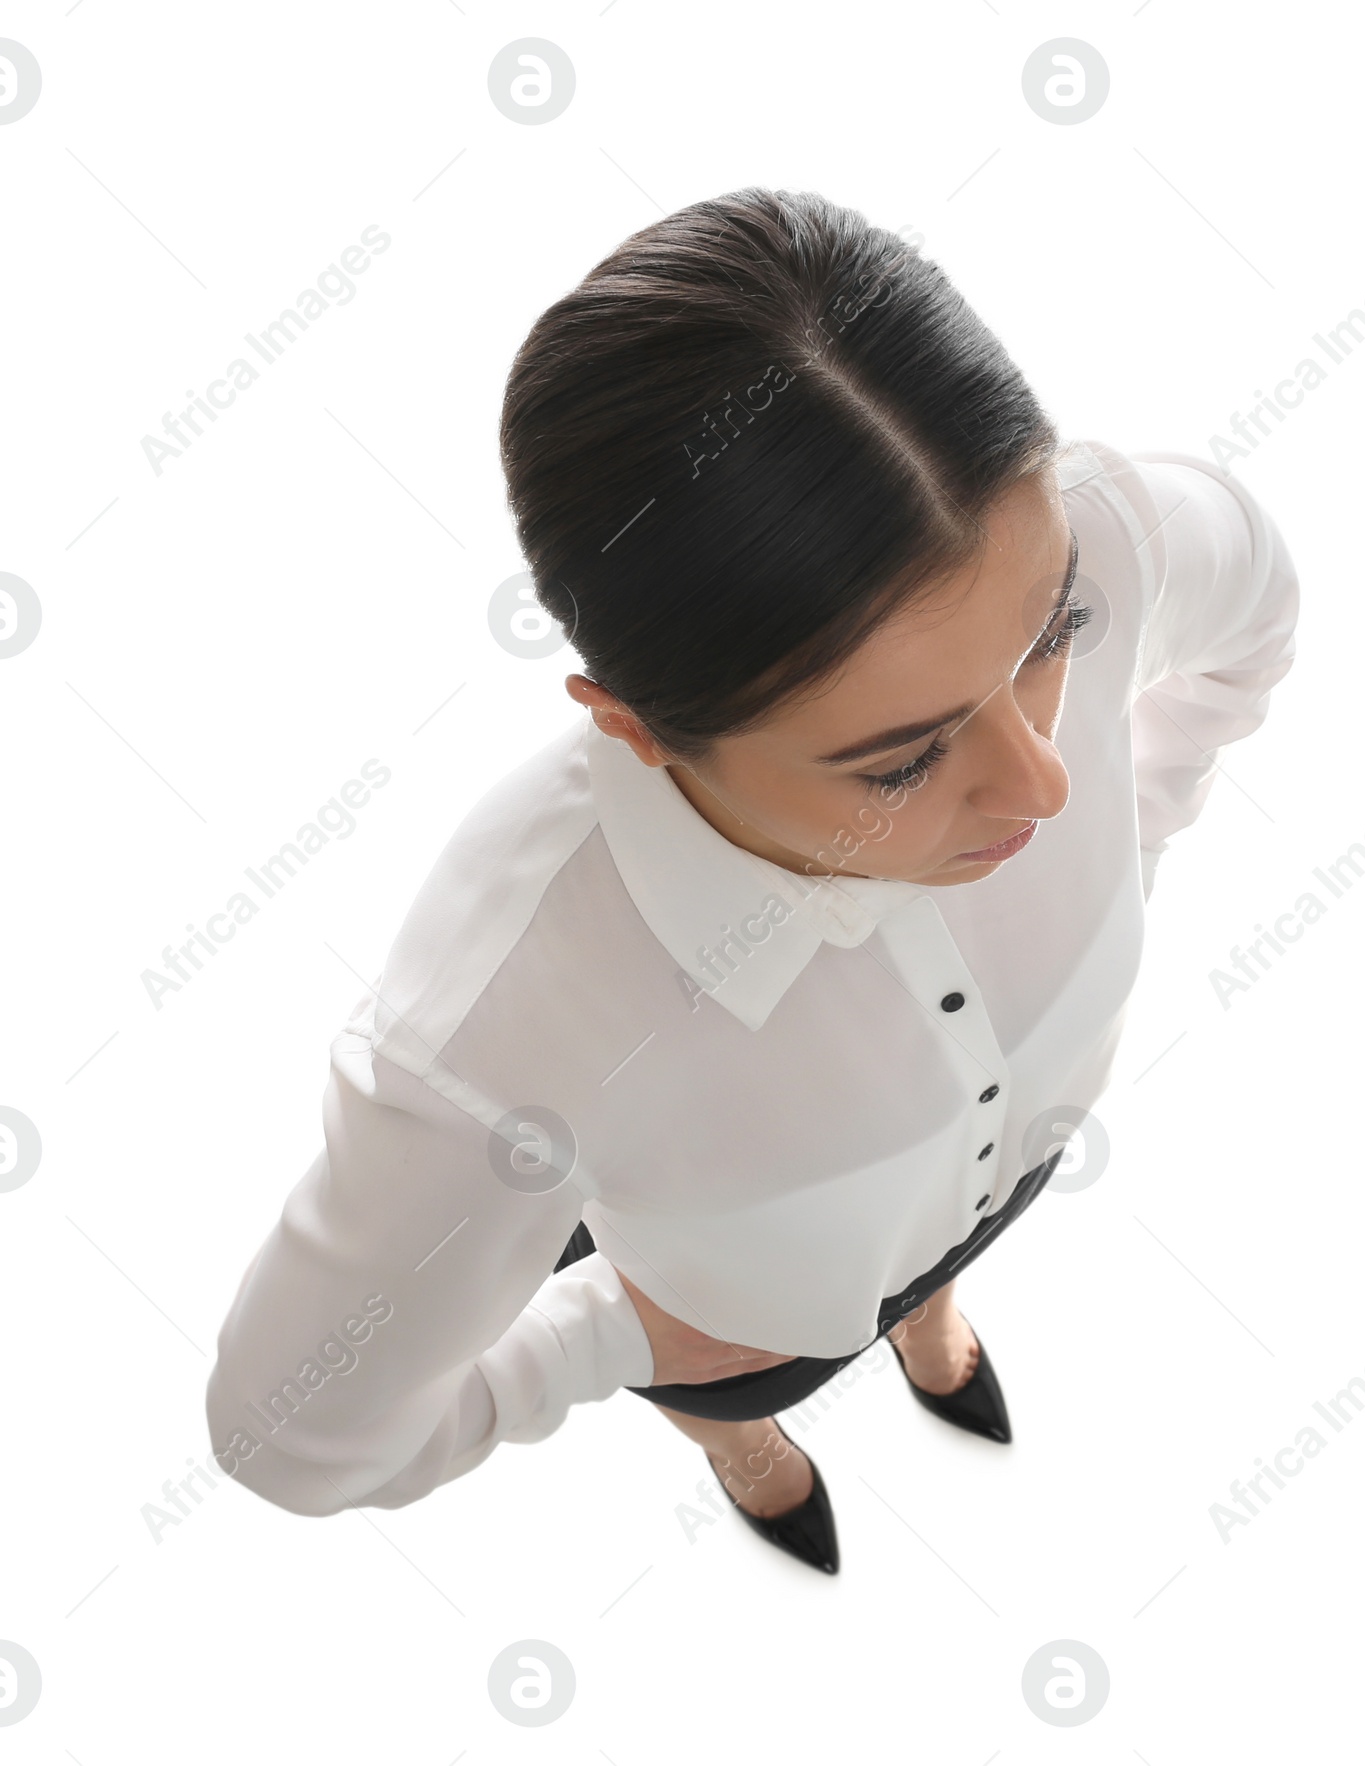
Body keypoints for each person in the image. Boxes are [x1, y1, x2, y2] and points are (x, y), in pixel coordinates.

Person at [205, 187, 1299, 1576]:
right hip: (745, 1327)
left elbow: (1255, 597)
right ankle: (749, 1451)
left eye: (1049, 634)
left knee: (939, 1265)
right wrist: (609, 1336)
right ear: (640, 730)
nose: (1043, 788)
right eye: (902, 762)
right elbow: (292, 1436)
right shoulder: (500, 1030)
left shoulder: (1113, 540)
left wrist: (1147, 832)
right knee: (742, 1393)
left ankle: (934, 1322)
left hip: (1014, 1165)